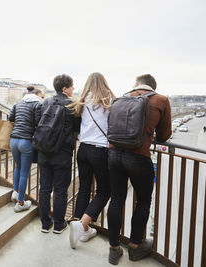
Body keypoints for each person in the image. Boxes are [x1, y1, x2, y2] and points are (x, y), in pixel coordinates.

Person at [107, 74, 171, 265]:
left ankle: (114, 249)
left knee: (117, 198)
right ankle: (135, 247)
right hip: (138, 156)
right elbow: (164, 135)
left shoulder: (123, 97)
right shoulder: (161, 100)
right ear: (153, 86)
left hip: (113, 153)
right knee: (143, 201)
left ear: (137, 85)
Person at [68, 73, 115, 248]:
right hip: (100, 149)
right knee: (104, 190)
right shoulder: (109, 100)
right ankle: (82, 225)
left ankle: (79, 225)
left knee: (84, 188)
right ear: (104, 83)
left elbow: (76, 124)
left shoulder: (82, 100)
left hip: (83, 149)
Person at [38, 74, 80, 234]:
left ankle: (45, 223)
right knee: (61, 190)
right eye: (72, 86)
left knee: (44, 188)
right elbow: (77, 127)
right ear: (65, 88)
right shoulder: (71, 104)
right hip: (62, 153)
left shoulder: (46, 101)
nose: (73, 89)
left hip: (44, 151)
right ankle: (59, 224)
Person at [9, 88, 43, 212]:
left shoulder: (18, 103)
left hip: (13, 139)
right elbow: (38, 123)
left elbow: (10, 117)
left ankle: (15, 192)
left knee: (18, 166)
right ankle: (21, 203)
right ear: (37, 95)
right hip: (26, 140)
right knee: (24, 172)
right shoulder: (37, 105)